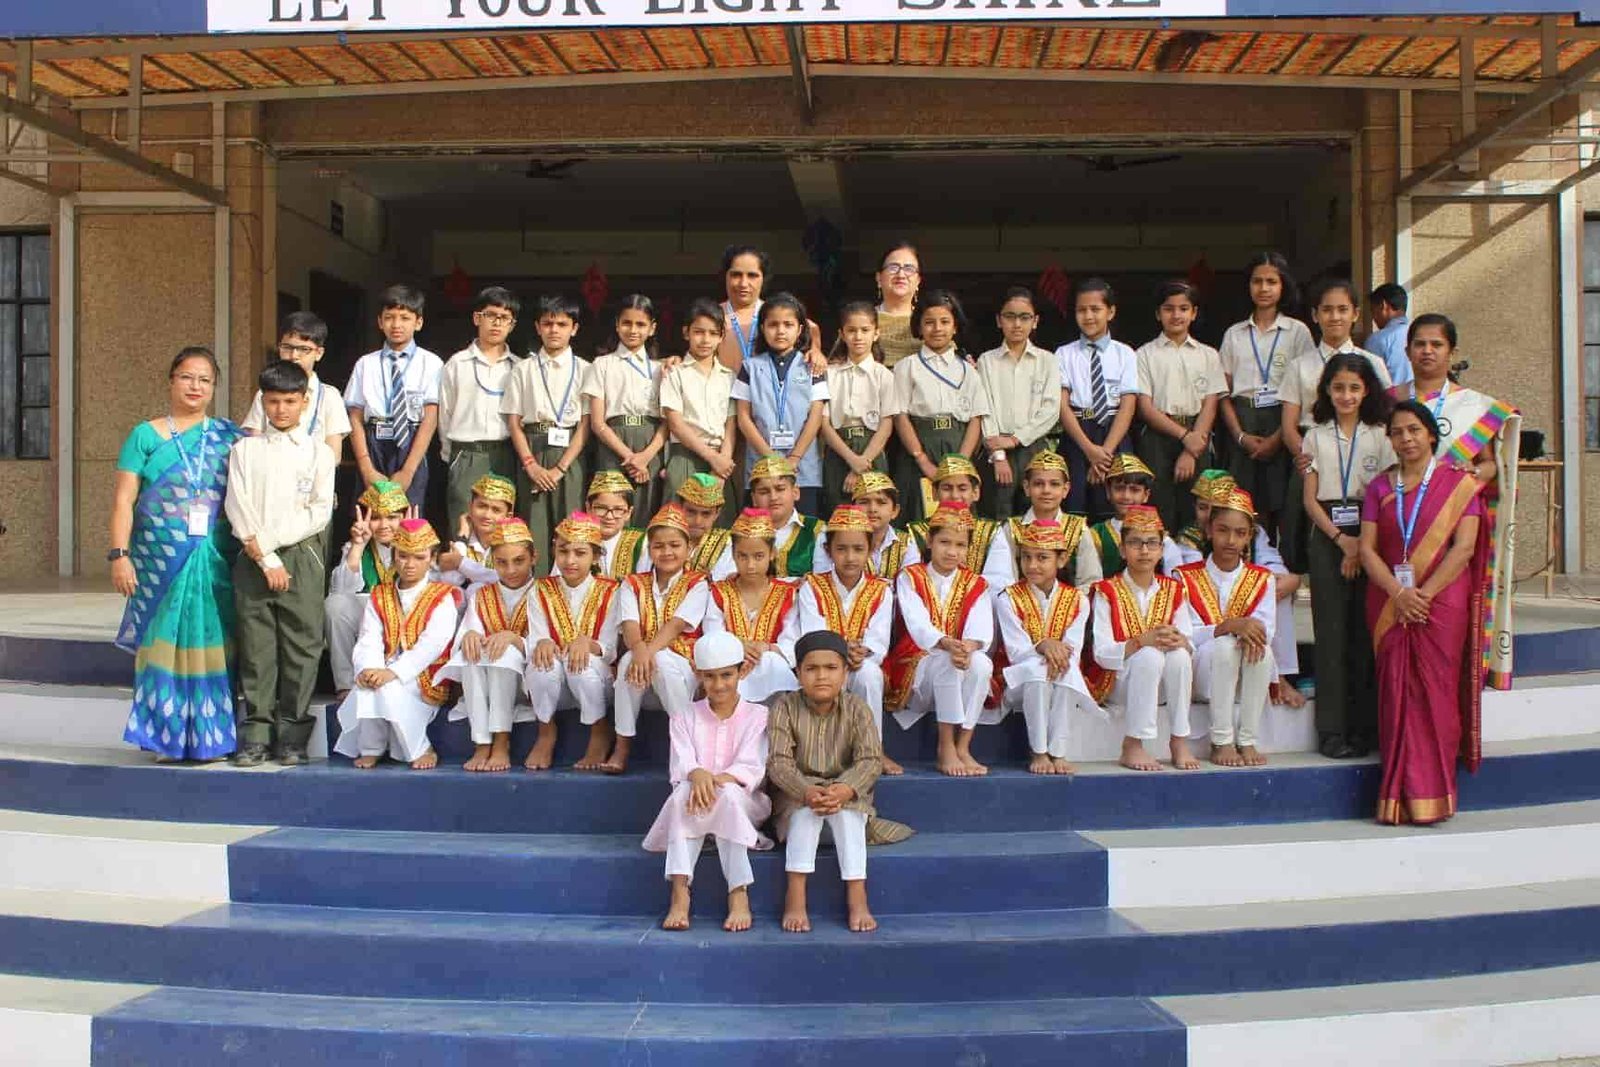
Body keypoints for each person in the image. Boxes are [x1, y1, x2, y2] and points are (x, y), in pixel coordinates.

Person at [110, 346, 249, 762]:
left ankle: (211, 738)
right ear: (171, 380)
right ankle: (164, 738)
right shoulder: (145, 436)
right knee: (162, 641)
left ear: (215, 388)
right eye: (187, 377)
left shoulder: (229, 437)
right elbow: (123, 500)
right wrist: (119, 554)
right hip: (157, 561)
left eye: (205, 380)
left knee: (213, 640)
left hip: (213, 557)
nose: (195, 386)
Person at [1360, 400, 1487, 825]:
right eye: (1397, 432)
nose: (1406, 439)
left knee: (1436, 693)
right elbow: (1367, 550)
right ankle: (1399, 795)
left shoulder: (1459, 484)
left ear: (1431, 434)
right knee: (1395, 695)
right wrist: (1399, 594)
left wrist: (1423, 596)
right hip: (1390, 601)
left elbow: (1464, 548)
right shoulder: (1379, 487)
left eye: (1413, 429)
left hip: (1441, 602)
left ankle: (1434, 794)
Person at [1394, 313, 1520, 690]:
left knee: (1444, 618)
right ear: (1407, 351)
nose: (1427, 351)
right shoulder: (1388, 400)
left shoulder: (1474, 407)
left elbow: (1490, 466)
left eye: (1437, 344)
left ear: (1451, 352)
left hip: (1453, 527)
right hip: (1399, 525)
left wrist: (1469, 476)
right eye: (1420, 344)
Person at [224, 360, 338, 768]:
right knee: (256, 648)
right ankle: (255, 734)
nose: (281, 409)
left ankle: (292, 736)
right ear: (262, 402)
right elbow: (237, 506)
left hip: (301, 555)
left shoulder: (319, 453)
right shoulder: (244, 450)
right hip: (252, 557)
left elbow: (319, 512)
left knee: (301, 645)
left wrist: (269, 544)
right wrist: (264, 557)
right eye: (273, 401)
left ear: (304, 401)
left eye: (290, 401)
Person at [644, 630, 773, 934]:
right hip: (695, 800)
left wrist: (711, 780)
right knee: (684, 791)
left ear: (742, 671)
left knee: (727, 793)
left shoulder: (758, 715)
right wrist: (697, 774)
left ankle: (738, 891)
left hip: (744, 802)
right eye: (710, 676)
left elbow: (751, 767)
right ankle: (680, 890)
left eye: (727, 675)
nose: (718, 685)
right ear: (698, 674)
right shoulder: (684, 716)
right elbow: (683, 762)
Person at [1303, 353, 1395, 760]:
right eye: (1338, 387)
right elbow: (1309, 500)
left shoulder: (1380, 434)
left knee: (1364, 632)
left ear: (1367, 391)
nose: (1346, 395)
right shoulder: (1314, 436)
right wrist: (1342, 540)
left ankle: (1364, 728)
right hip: (1328, 534)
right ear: (1327, 390)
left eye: (1354, 388)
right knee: (1331, 633)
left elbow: (1384, 492)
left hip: (1371, 529)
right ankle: (1332, 731)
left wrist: (1361, 544)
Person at [767, 630, 884, 934]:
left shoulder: (857, 708)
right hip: (797, 795)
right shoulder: (784, 707)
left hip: (846, 794)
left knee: (847, 815)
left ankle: (857, 896)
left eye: (831, 668)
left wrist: (845, 789)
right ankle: (796, 896)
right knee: (807, 813)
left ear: (845, 673)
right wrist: (806, 791)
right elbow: (778, 763)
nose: (821, 676)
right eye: (812, 668)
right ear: (798, 673)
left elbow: (871, 760)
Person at [1280, 279, 1393, 574]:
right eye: (1327, 310)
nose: (1335, 317)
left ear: (1355, 314)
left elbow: (1384, 416)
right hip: (1312, 455)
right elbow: (1289, 424)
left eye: (1343, 309)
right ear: (1315, 315)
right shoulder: (1299, 365)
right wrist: (1306, 458)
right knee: (1300, 540)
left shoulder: (1373, 363)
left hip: (1363, 457)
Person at [333, 519, 460, 770]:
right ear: (393, 556)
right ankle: (371, 747)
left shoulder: (442, 596)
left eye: (419, 557)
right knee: (367, 686)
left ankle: (420, 747)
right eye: (403, 556)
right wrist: (369, 668)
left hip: (426, 676)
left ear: (432, 559)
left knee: (387, 688)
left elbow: (431, 645)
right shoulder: (380, 594)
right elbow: (369, 637)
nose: (409, 564)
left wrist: (392, 672)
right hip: (386, 667)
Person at [887, 501, 995, 778]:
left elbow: (981, 630)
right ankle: (945, 745)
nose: (951, 551)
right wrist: (948, 644)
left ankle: (963, 745)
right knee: (949, 661)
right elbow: (918, 626)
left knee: (982, 664)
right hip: (918, 664)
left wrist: (968, 646)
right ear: (929, 541)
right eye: (944, 542)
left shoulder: (976, 583)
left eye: (960, 545)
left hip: (958, 658)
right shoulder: (910, 577)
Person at [1087, 504, 1197, 772]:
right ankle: (1133, 744)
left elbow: (1189, 640)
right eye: (1135, 543)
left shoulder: (1174, 590)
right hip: (1120, 682)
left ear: (1161, 550)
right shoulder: (1106, 591)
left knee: (1180, 655)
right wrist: (1140, 642)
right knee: (1149, 655)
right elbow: (1101, 654)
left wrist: (1180, 641)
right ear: (1123, 550)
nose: (1144, 550)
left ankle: (1179, 739)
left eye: (1151, 543)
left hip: (1162, 684)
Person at [1175, 487, 1276, 768]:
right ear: (1209, 530)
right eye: (1223, 530)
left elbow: (1266, 630)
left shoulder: (1263, 579)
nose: (1231, 540)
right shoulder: (1184, 577)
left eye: (1240, 533)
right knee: (1223, 646)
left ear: (1249, 536)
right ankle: (1221, 740)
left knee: (1262, 650)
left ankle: (1247, 739)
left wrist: (1247, 634)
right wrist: (1228, 627)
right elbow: (1185, 635)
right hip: (1202, 672)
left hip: (1246, 670)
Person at [796, 504, 899, 775]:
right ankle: (825, 752)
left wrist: (861, 652)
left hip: (860, 662)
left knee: (869, 675)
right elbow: (813, 634)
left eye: (858, 549)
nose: (850, 557)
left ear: (870, 550)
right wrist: (841, 652)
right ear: (828, 550)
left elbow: (878, 640)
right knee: (824, 673)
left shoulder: (881, 589)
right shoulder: (812, 586)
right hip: (824, 663)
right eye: (841, 549)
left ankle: (873, 750)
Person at [1217, 252, 1315, 534]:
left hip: (1283, 420)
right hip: (1242, 420)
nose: (1264, 288)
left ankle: (1278, 556)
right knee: (1242, 503)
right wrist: (1240, 436)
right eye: (1257, 281)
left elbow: (1306, 389)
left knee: (1282, 503)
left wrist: (1278, 437)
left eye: (1271, 282)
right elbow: (1222, 393)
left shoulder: (1297, 332)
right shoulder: (1234, 333)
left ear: (1283, 286)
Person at [994, 519, 1101, 775]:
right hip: (1016, 681)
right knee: (1037, 673)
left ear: (1061, 560)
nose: (1032, 565)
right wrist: (1043, 646)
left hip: (1059, 672)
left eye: (1042, 558)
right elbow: (1016, 652)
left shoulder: (1077, 600)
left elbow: (1072, 649)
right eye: (1026, 557)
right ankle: (1039, 751)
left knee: (1066, 670)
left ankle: (1058, 751)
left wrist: (1056, 655)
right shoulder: (1008, 598)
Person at [612, 503, 711, 775]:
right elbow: (630, 624)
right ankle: (622, 746)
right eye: (658, 546)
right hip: (641, 661)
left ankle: (686, 744)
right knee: (627, 662)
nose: (667, 552)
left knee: (662, 662)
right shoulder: (632, 583)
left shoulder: (698, 583)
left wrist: (646, 652)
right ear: (649, 549)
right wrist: (639, 650)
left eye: (675, 545)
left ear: (688, 548)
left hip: (681, 664)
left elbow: (677, 625)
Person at [439, 516, 538, 773]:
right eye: (501, 562)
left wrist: (514, 639)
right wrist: (470, 635)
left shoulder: (542, 593)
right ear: (492, 561)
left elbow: (548, 641)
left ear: (533, 558)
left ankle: (502, 741)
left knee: (503, 655)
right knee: (471, 654)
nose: (511, 570)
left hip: (527, 683)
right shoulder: (482, 594)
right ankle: (482, 742)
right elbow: (469, 632)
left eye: (519, 561)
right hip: (485, 683)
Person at [524, 511, 621, 772]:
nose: (570, 560)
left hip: (594, 680)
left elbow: (610, 649)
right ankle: (546, 731)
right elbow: (536, 636)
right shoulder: (540, 589)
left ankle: (599, 731)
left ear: (596, 556)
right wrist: (543, 642)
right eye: (563, 551)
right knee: (542, 664)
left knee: (581, 664)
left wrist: (587, 644)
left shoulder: (611, 590)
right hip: (556, 681)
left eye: (580, 553)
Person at [1135, 280, 1225, 534]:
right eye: (1168, 308)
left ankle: (1194, 555)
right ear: (1158, 313)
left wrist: (1192, 447)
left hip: (1198, 434)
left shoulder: (1208, 355)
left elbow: (1211, 403)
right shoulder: (1144, 354)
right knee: (1158, 502)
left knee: (1198, 505)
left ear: (1194, 313)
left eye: (1183, 309)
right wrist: (1185, 437)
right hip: (1159, 435)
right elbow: (1145, 408)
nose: (1176, 315)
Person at [893, 290, 991, 521]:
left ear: (955, 327)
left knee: (958, 518)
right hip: (919, 446)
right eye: (929, 322)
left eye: (945, 322)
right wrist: (922, 458)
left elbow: (976, 419)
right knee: (920, 517)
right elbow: (900, 416)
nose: (937, 328)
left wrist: (961, 463)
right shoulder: (906, 367)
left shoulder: (968, 370)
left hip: (958, 445)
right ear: (919, 327)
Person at [503, 294, 590, 553]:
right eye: (548, 324)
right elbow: (513, 422)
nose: (554, 330)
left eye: (562, 324)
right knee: (535, 529)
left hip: (570, 453)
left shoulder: (586, 369)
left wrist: (561, 468)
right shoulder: (523, 369)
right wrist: (530, 465)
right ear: (538, 327)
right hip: (534, 448)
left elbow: (586, 424)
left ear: (575, 328)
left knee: (571, 529)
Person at [344, 284, 442, 510]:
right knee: (370, 517)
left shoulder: (431, 363)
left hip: (411, 444)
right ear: (380, 322)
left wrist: (408, 471)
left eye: (405, 318)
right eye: (389, 317)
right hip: (373, 444)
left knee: (408, 519)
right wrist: (366, 468)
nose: (396, 324)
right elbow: (355, 417)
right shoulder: (365, 364)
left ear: (419, 322)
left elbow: (430, 419)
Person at [733, 292, 830, 515]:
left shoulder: (812, 366)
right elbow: (743, 418)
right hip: (761, 465)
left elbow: (816, 416)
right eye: (773, 325)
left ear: (800, 329)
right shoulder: (749, 367)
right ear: (762, 328)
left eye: (788, 324)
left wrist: (794, 458)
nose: (780, 331)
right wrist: (770, 458)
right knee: (760, 528)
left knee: (803, 528)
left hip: (803, 469)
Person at [439, 286, 523, 534]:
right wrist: (452, 457)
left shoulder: (518, 367)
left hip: (504, 453)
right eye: (490, 315)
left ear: (512, 325)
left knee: (501, 530)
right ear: (477, 318)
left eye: (504, 318)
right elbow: (445, 414)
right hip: (466, 453)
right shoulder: (457, 363)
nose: (497, 323)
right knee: (462, 525)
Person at [976, 286, 1062, 519]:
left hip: (1033, 446)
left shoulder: (1047, 361)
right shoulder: (987, 361)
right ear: (999, 320)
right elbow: (985, 408)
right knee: (998, 514)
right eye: (1010, 316)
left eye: (1024, 317)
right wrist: (998, 455)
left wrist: (1015, 439)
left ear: (1035, 321)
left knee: (1035, 513)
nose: (1017, 324)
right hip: (997, 448)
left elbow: (1051, 410)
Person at [702, 508, 801, 704]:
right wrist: (739, 646)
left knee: (771, 661)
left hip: (772, 669)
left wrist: (766, 648)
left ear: (772, 554)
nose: (750, 565)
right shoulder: (719, 592)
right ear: (733, 555)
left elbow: (792, 642)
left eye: (758, 556)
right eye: (743, 556)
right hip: (730, 669)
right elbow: (712, 635)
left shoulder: (788, 594)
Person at [585, 294, 667, 527]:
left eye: (641, 324)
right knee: (611, 510)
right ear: (617, 324)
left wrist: (645, 456)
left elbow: (668, 421)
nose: (633, 330)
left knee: (645, 512)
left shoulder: (661, 368)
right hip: (613, 444)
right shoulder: (602, 364)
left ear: (652, 328)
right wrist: (630, 457)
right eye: (627, 323)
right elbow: (597, 423)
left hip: (650, 444)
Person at [325, 480, 413, 698]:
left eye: (392, 517)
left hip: (408, 618)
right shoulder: (357, 546)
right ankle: (346, 685)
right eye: (376, 518)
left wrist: (410, 542)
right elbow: (340, 590)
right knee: (335, 605)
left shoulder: (421, 545)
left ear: (404, 517)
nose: (384, 525)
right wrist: (357, 545)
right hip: (371, 621)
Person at [821, 302, 900, 517]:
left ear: (876, 333)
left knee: (873, 515)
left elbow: (886, 425)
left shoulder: (884, 375)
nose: (858, 336)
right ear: (842, 334)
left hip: (872, 449)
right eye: (851, 330)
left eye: (865, 330)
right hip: (839, 449)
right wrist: (851, 460)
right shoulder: (830, 374)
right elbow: (824, 424)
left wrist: (863, 463)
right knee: (839, 515)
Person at [660, 299, 737, 517]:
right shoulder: (675, 372)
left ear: (721, 336)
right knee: (679, 523)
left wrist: (722, 463)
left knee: (719, 527)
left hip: (721, 461)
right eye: (699, 332)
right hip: (685, 456)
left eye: (713, 333)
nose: (705, 340)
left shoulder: (729, 377)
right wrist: (712, 458)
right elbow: (675, 423)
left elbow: (731, 425)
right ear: (686, 333)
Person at [242, 311, 350, 459]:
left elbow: (334, 455)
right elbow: (254, 441)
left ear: (319, 353)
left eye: (304, 349)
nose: (294, 356)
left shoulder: (329, 396)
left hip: (312, 471)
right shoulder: (265, 392)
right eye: (287, 347)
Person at [992, 450, 1101, 589]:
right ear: (1027, 487)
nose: (1046, 490)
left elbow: (1090, 581)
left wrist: (1068, 601)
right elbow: (1004, 580)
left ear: (1065, 489)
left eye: (1054, 484)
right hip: (1019, 600)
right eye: (1038, 484)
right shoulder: (1012, 528)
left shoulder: (1078, 528)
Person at [712, 454, 828, 579]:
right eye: (764, 492)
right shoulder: (742, 532)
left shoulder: (817, 531)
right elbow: (722, 576)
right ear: (754, 499)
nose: (773, 497)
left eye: (780, 489)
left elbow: (824, 580)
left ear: (795, 492)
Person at [905, 453, 1010, 589]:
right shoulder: (917, 532)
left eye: (962, 488)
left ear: (975, 493)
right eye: (947, 488)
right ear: (934, 492)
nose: (954, 496)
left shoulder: (991, 531)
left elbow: (1000, 582)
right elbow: (911, 580)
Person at [1088, 454, 1186, 578]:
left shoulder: (1162, 539)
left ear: (1146, 495)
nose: (1126, 496)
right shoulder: (1095, 535)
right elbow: (1090, 579)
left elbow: (1176, 582)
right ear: (1108, 492)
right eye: (1119, 488)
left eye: (1134, 490)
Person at [437, 474, 514, 591]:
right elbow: (451, 580)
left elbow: (509, 580)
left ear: (508, 517)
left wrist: (461, 563)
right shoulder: (459, 541)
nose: (487, 515)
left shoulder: (514, 546)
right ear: (470, 507)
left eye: (496, 510)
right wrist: (461, 541)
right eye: (482, 506)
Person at [583, 469, 652, 580]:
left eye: (618, 510)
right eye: (601, 508)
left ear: (629, 512)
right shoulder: (575, 540)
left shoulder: (641, 542)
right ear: (588, 508)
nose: (609, 516)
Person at [852, 470, 919, 581]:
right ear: (853, 509)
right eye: (864, 502)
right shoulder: (841, 542)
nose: (872, 509)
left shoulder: (907, 543)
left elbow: (910, 585)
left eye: (881, 502)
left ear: (895, 511)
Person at [873, 241, 923, 366]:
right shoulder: (861, 320)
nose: (901, 275)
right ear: (879, 278)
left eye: (909, 269)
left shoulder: (929, 322)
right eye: (893, 267)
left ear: (918, 281)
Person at [677, 472, 736, 579]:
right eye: (691, 512)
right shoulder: (661, 540)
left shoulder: (729, 545)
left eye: (706, 514)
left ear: (717, 514)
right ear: (680, 508)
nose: (697, 521)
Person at [1367, 282, 1413, 387]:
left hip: (1390, 396)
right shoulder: (1419, 334)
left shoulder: (1377, 340)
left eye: (1373, 311)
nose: (1373, 318)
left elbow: (1371, 381)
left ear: (1383, 306)